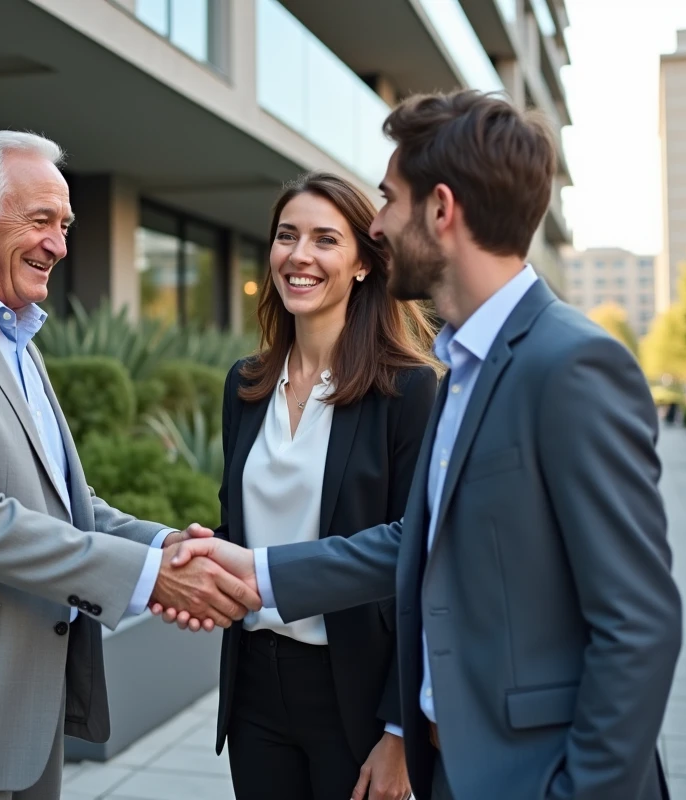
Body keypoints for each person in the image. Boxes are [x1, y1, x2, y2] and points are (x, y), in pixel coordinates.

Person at [160, 91, 682, 800]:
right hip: (454, 765)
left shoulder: (570, 364)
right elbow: (416, 543)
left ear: (440, 210)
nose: (378, 223)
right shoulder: (465, 363)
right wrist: (254, 572)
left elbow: (639, 624)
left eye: (388, 200)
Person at [0, 122, 259, 799]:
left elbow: (66, 498)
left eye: (64, 224)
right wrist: (153, 578)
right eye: (41, 221)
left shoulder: (17, 338)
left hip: (26, 708)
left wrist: (166, 543)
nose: (59, 245)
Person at [212, 173, 438, 800]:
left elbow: (419, 558)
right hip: (255, 686)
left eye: (325, 239)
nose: (299, 256)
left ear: (363, 263)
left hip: (357, 696)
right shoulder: (245, 384)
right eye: (287, 236)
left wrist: (401, 730)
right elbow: (240, 529)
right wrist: (197, 556)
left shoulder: (410, 390)